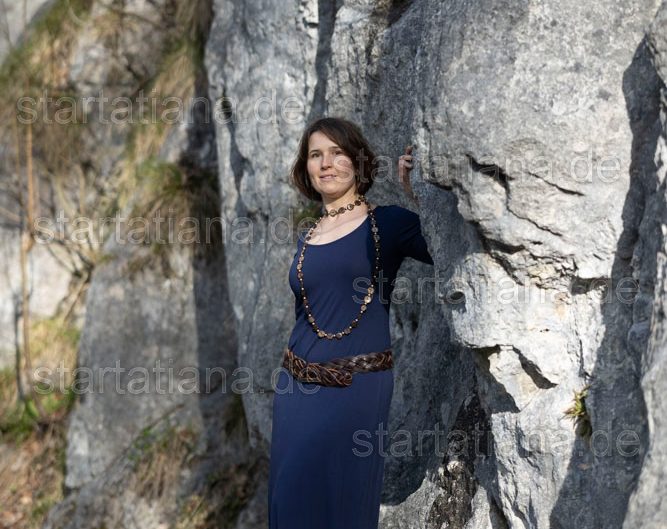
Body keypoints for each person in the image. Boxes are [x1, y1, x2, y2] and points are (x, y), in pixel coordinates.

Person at [268, 116, 434, 529]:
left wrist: (417, 194)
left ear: (358, 162)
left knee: (341, 502)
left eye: (337, 153)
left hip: (356, 389)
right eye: (315, 155)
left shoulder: (388, 223)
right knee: (289, 500)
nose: (325, 164)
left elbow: (444, 248)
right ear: (305, 167)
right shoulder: (308, 235)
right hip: (294, 388)